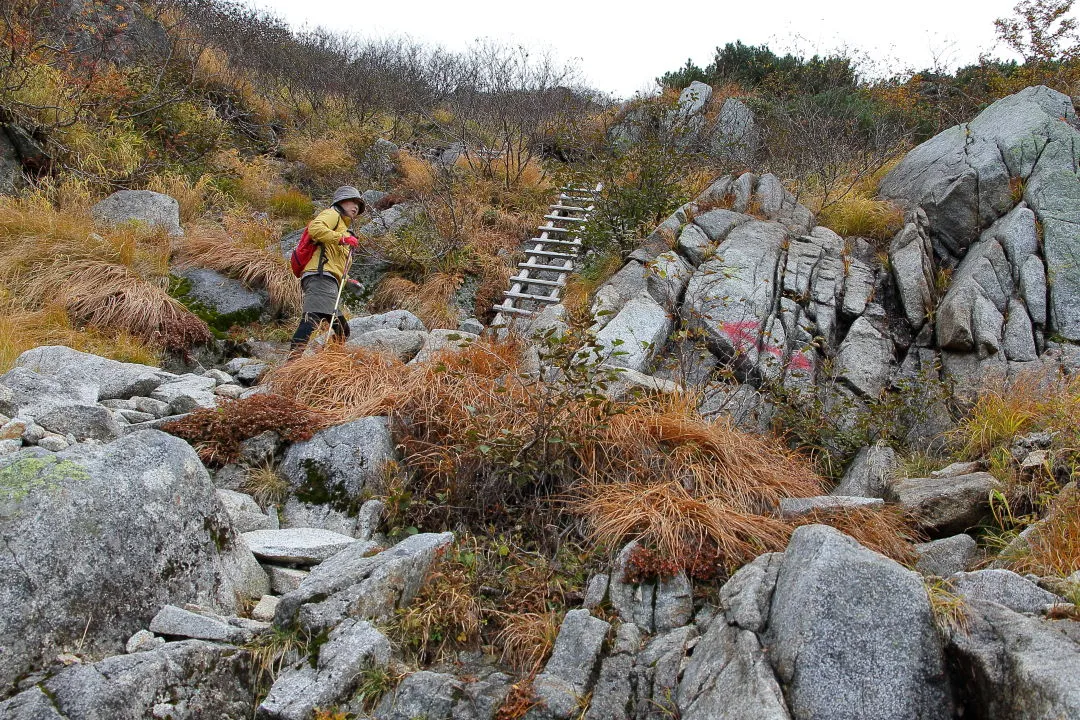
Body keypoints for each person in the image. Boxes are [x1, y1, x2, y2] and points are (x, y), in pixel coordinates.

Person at [290, 186, 365, 352]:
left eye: (359, 205)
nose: (356, 207)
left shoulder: (343, 228)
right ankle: (292, 363)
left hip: (329, 281)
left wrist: (348, 282)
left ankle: (327, 360)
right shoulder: (333, 214)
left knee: (342, 330)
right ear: (341, 201)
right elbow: (315, 228)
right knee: (312, 320)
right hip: (320, 277)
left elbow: (336, 265)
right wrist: (342, 238)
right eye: (353, 201)